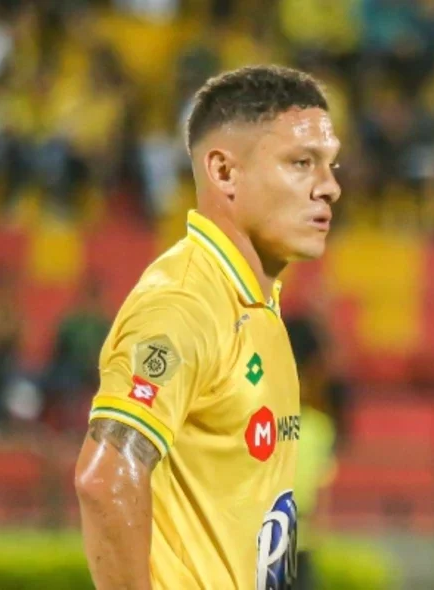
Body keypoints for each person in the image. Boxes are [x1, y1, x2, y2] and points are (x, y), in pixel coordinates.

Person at [73, 65, 342, 590]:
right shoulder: (183, 304)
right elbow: (106, 478)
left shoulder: (255, 306)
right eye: (301, 163)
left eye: (330, 164)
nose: (329, 187)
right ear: (223, 172)